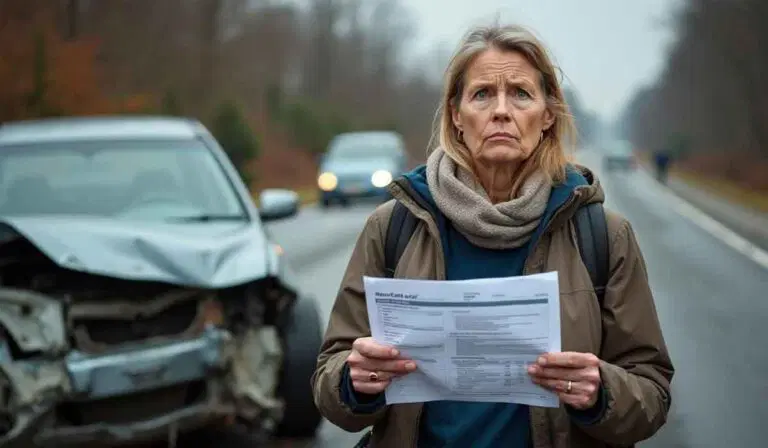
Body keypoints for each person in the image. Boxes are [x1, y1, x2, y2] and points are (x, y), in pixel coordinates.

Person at [311, 23, 674, 447]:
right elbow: (329, 381)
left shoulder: (603, 236)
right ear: (456, 115)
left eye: (520, 94)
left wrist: (601, 392)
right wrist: (355, 381)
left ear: (548, 114)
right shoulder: (392, 226)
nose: (501, 111)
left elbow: (652, 391)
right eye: (482, 94)